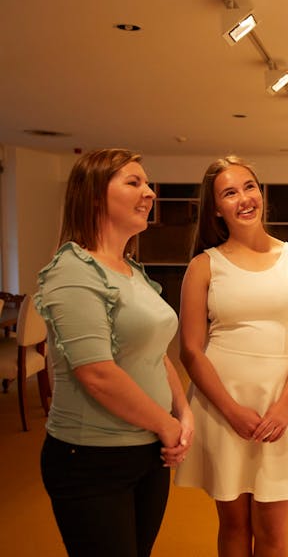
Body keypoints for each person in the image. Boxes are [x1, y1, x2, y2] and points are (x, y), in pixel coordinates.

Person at [34, 148, 193, 557]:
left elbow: (155, 352)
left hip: (147, 452)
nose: (151, 192)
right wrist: (167, 424)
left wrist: (182, 411)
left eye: (147, 182)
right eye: (134, 182)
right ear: (93, 197)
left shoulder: (129, 268)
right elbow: (97, 374)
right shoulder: (73, 270)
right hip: (92, 460)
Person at [174, 157, 288, 557]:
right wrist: (231, 410)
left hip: (280, 402)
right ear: (216, 207)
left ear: (262, 193)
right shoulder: (204, 266)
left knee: (273, 531)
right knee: (234, 526)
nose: (244, 198)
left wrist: (286, 405)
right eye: (229, 192)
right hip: (223, 404)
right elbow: (190, 349)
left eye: (249, 186)